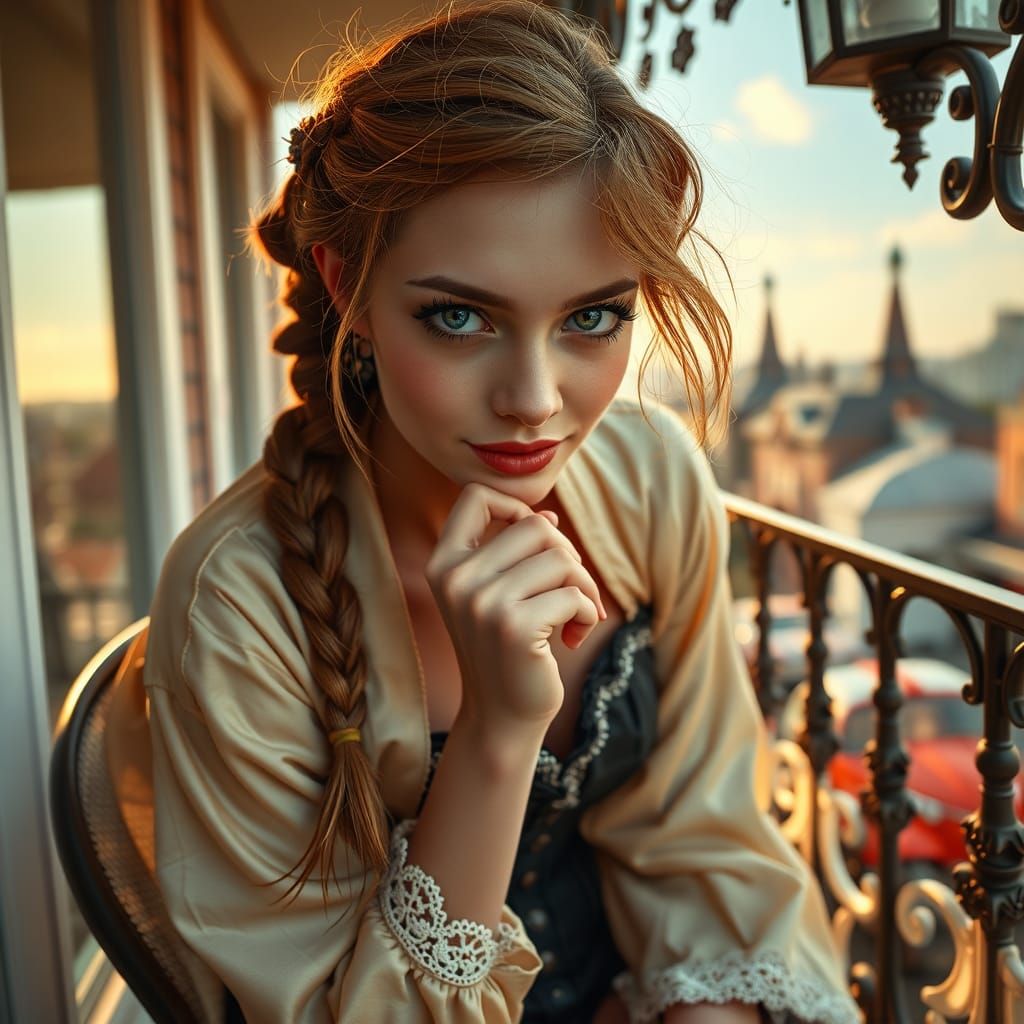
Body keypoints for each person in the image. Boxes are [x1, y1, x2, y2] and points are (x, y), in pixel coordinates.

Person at [106, 2, 861, 1022]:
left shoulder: (649, 479)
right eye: (458, 315)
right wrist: (505, 729)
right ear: (349, 284)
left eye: (592, 317)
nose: (535, 399)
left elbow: (702, 832)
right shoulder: (237, 608)